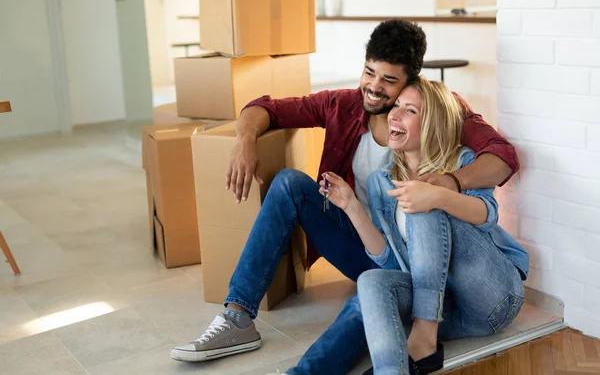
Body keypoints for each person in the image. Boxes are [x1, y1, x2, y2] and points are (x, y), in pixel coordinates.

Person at [170, 19, 520, 374]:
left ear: (410, 85)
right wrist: (244, 141)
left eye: (389, 81)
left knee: (367, 299)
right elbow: (268, 108)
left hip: (429, 266)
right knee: (291, 185)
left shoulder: (437, 114)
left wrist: (449, 183)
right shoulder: (349, 111)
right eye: (369, 72)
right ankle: (238, 316)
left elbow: (502, 155)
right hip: (375, 249)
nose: (373, 88)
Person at [318, 77, 528, 374]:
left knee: (421, 200)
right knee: (371, 281)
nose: (394, 114)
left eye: (410, 110)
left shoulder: (463, 161)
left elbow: (487, 214)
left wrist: (440, 195)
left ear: (433, 124)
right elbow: (390, 261)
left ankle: (424, 336)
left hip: (493, 295)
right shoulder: (382, 181)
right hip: (450, 312)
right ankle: (392, 369)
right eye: (397, 107)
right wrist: (351, 205)